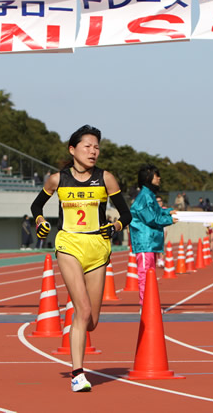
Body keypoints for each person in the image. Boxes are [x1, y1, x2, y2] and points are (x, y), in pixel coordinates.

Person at [30, 125, 132, 393]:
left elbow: (126, 215)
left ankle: (77, 322)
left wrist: (116, 227)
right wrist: (40, 221)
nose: (93, 151)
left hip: (98, 248)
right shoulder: (57, 180)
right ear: (72, 150)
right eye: (87, 146)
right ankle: (78, 374)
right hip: (68, 244)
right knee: (83, 310)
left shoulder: (106, 179)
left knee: (92, 321)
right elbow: (36, 205)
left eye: (96, 147)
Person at [129, 164, 177, 306]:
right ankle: (146, 305)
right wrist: (169, 219)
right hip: (145, 243)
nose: (159, 178)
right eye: (156, 175)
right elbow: (150, 218)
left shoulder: (149, 195)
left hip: (151, 243)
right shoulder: (144, 197)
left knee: (150, 275)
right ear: (148, 177)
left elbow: (156, 212)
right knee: (145, 275)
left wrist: (167, 212)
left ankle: (150, 304)